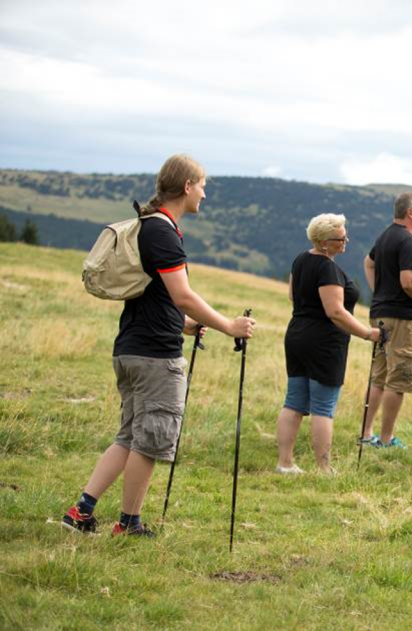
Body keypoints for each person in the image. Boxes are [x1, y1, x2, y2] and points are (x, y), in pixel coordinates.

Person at [61, 154, 256, 537]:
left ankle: (81, 511)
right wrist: (229, 326)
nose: (204, 193)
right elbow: (183, 295)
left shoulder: (149, 226)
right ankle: (128, 523)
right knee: (149, 443)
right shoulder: (164, 232)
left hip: (131, 348)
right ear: (186, 186)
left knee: (129, 437)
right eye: (201, 185)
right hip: (155, 358)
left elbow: (157, 297)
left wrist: (184, 325)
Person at [275, 214, 381, 474]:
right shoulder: (328, 268)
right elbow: (335, 311)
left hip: (297, 335)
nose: (346, 241)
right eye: (340, 238)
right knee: (323, 406)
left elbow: (292, 295)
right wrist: (368, 334)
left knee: (294, 402)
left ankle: (285, 463)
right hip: (324, 343)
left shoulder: (301, 259)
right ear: (324, 242)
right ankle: (324, 469)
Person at [361, 192, 412, 448]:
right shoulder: (409, 240)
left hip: (380, 314)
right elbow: (408, 280)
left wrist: (378, 291)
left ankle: (366, 433)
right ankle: (385, 438)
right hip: (403, 318)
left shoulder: (385, 236)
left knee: (379, 375)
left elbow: (368, 263)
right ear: (411, 212)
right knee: (400, 377)